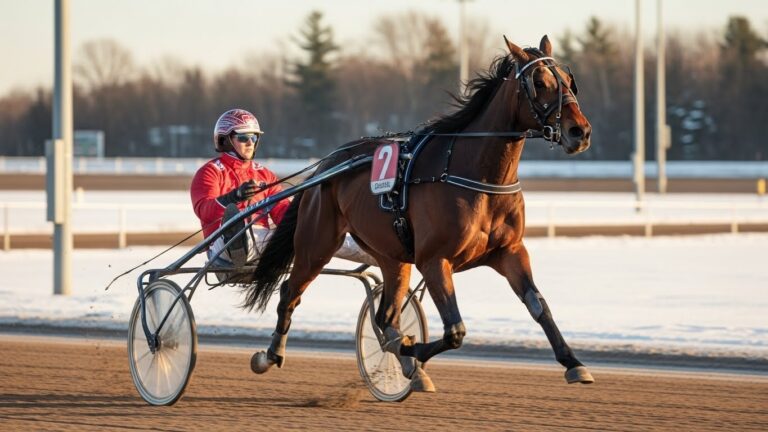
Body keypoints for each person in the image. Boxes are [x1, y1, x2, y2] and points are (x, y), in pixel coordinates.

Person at [191, 108, 375, 271]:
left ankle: (377, 252)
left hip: (264, 242)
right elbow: (204, 212)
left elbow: (282, 214)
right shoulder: (209, 172)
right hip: (223, 247)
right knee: (247, 231)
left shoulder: (264, 175)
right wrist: (233, 197)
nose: (250, 143)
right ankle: (239, 242)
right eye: (243, 137)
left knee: (324, 235)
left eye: (254, 137)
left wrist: (312, 220)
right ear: (226, 140)